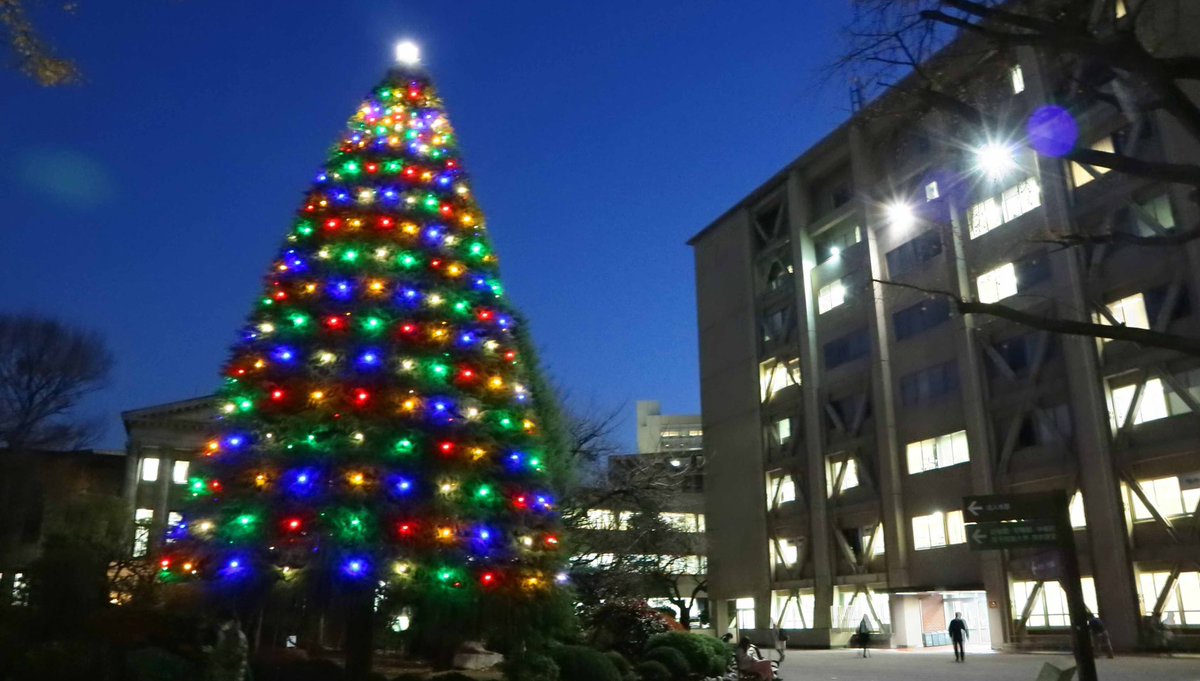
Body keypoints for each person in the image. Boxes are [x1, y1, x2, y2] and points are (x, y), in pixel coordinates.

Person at [206, 608, 248, 681]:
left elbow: (231, 662)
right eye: (219, 622)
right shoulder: (223, 635)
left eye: (222, 621)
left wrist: (213, 654)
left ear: (231, 621)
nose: (220, 624)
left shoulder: (239, 637)